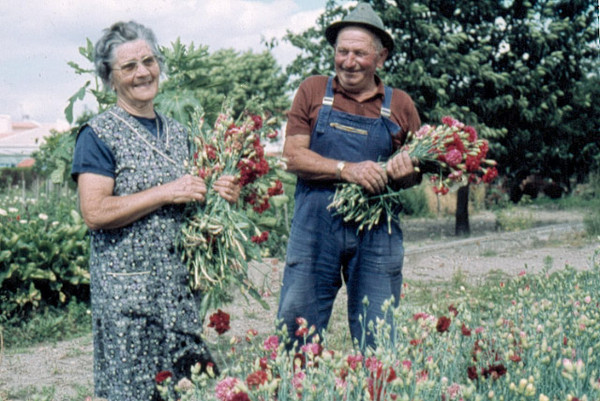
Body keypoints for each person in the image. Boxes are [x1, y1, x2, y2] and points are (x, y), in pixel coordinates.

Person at [71, 21, 239, 400]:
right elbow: (94, 211)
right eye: (128, 67)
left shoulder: (179, 134)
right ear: (110, 78)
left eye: (148, 61)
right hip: (127, 296)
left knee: (183, 391)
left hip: (178, 294)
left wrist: (221, 194)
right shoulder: (97, 135)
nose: (142, 72)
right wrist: (166, 192)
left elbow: (196, 204)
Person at [276, 3, 422, 350]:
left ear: (381, 57)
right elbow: (293, 156)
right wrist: (347, 170)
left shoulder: (400, 105)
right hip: (315, 228)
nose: (348, 61)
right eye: (342, 51)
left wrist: (406, 172)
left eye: (359, 53)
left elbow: (416, 173)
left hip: (376, 231)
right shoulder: (313, 91)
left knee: (378, 335)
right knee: (297, 327)